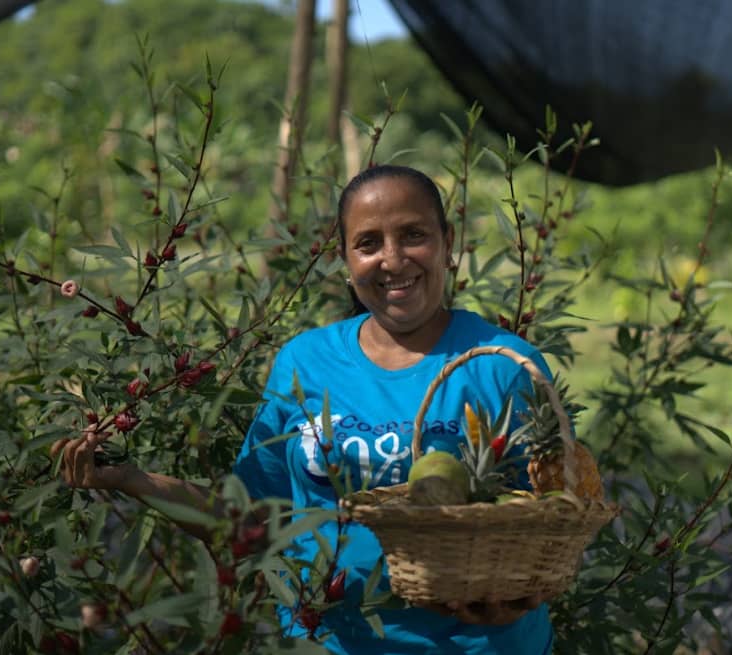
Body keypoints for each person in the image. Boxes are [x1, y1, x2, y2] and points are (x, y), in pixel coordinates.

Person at [52, 164, 556, 654]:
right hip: (328, 642)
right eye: (368, 243)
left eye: (414, 235)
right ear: (344, 259)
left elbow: (553, 527)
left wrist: (517, 596)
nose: (393, 258)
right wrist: (132, 479)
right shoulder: (305, 362)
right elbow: (248, 520)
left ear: (449, 243)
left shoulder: (503, 367)